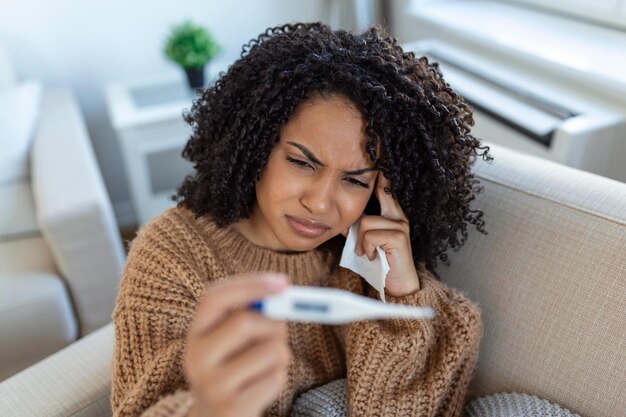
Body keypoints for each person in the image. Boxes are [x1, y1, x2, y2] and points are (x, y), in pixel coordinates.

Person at [110, 22, 492, 417]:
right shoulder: (172, 256)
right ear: (255, 147)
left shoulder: (362, 257)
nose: (321, 204)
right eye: (301, 162)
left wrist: (400, 291)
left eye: (354, 180)